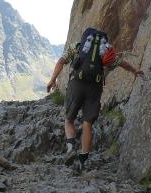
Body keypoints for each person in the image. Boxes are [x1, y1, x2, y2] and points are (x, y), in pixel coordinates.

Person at [46, 27, 144, 170]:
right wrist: (134, 70)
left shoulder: (78, 46)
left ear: (86, 37)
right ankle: (83, 160)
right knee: (87, 124)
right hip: (95, 87)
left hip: (76, 84)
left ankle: (70, 148)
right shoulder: (105, 50)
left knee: (69, 120)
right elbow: (121, 63)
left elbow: (61, 61)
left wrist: (53, 80)